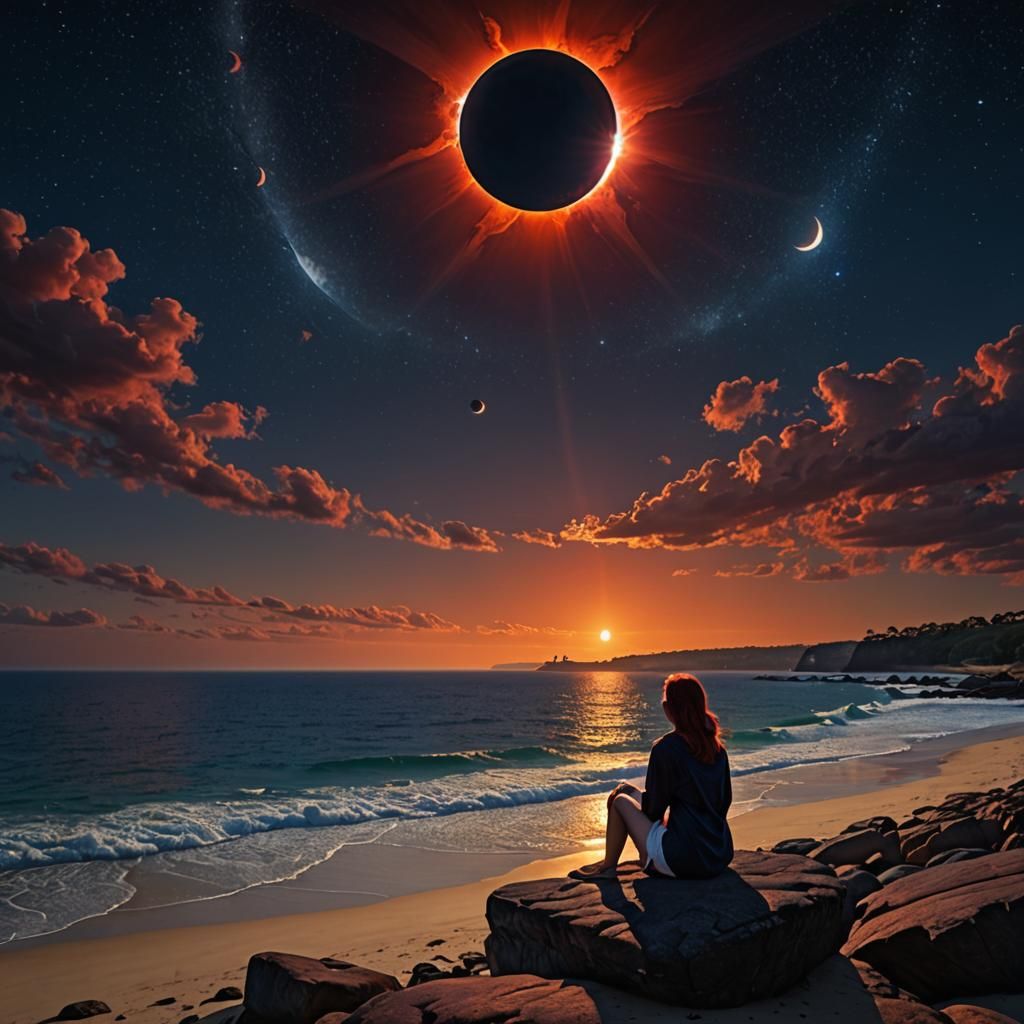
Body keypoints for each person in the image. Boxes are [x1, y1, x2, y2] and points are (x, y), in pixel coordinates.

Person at [573, 673, 734, 879]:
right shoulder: (717, 749)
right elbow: (723, 802)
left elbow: (653, 810)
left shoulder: (666, 748)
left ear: (668, 710)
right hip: (718, 854)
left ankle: (609, 867)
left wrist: (660, 820)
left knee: (620, 801)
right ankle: (613, 862)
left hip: (681, 859)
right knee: (623, 790)